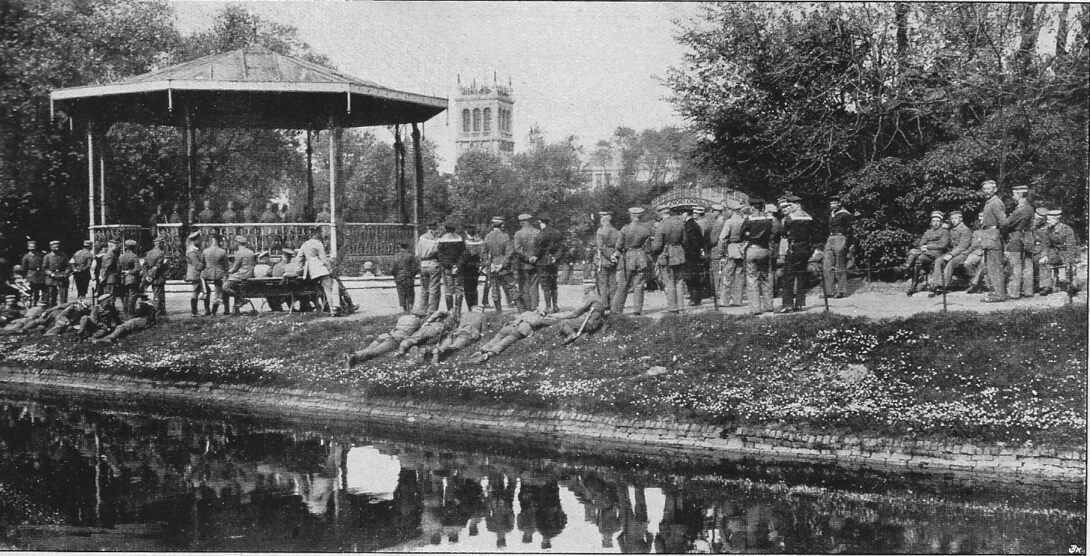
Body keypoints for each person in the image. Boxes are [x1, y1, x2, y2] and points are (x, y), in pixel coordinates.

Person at [467, 309, 558, 364]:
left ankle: (481, 350)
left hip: (510, 326)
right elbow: (549, 322)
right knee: (503, 343)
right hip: (520, 329)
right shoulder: (540, 318)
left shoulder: (527, 312)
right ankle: (488, 355)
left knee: (495, 339)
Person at [344, 309, 426, 367]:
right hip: (395, 340)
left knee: (368, 349)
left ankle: (352, 355)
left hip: (386, 335)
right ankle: (354, 357)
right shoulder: (418, 322)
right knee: (375, 352)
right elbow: (417, 335)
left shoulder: (403, 318)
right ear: (419, 317)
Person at [778, 195, 815, 313]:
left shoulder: (791, 217)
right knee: (801, 276)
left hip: (794, 248)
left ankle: (787, 304)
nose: (789, 207)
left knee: (788, 276)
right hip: (806, 248)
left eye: (791, 205)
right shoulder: (809, 217)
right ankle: (799, 303)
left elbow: (783, 232)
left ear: (798, 205)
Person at [611, 207, 651, 315]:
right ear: (641, 216)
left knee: (623, 284)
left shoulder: (625, 229)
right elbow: (648, 249)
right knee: (639, 285)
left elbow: (619, 246)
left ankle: (616, 310)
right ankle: (637, 310)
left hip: (628, 257)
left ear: (631, 216)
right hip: (641, 258)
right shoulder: (645, 230)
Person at [740, 202, 779, 315]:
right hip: (765, 249)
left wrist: (748, 235)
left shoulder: (749, 219)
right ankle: (768, 306)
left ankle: (755, 308)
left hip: (752, 249)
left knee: (752, 279)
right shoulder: (769, 219)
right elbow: (776, 232)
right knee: (766, 277)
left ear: (753, 208)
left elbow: (741, 234)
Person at [650, 205, 687, 313]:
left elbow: (657, 246)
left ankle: (672, 307)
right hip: (679, 254)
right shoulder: (679, 223)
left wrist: (653, 251)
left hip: (666, 255)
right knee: (679, 281)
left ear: (660, 213)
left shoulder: (661, 226)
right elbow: (684, 240)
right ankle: (681, 307)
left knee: (669, 282)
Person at [904, 211, 950, 296]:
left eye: (937, 221)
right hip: (926, 253)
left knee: (917, 256)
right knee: (917, 258)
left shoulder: (944, 232)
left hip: (938, 253)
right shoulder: (928, 232)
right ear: (931, 222)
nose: (935, 223)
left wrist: (928, 246)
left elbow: (943, 245)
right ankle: (913, 283)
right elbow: (921, 243)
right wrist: (923, 247)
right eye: (933, 221)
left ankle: (908, 272)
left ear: (941, 222)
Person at [300, 227, 343, 316]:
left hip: (310, 271)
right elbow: (323, 259)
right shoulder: (318, 243)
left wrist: (300, 270)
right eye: (319, 233)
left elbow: (299, 258)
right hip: (320, 269)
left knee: (322, 288)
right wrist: (330, 270)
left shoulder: (305, 244)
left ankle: (327, 307)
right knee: (330, 287)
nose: (321, 234)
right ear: (315, 234)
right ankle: (333, 309)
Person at [483, 216, 522, 313]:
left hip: (493, 267)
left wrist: (490, 264)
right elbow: (509, 253)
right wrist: (502, 265)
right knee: (512, 287)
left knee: (495, 290)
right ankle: (521, 310)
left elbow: (483, 253)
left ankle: (499, 312)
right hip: (505, 267)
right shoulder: (505, 236)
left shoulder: (487, 236)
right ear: (501, 225)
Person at [1002, 185, 1035, 299]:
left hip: (1016, 237)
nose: (1013, 197)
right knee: (1028, 264)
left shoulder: (1020, 209)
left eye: (1014, 194)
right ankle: (1028, 290)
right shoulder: (1030, 208)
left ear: (1020, 195)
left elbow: (1006, 224)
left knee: (1015, 265)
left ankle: (1014, 292)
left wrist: (1005, 234)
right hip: (1028, 237)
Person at [979, 179, 1008, 302]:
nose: (986, 191)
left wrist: (998, 235)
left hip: (993, 238)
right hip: (988, 237)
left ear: (995, 189)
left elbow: (1003, 223)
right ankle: (994, 292)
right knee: (990, 267)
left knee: (995, 267)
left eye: (989, 189)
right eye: (984, 189)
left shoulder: (995, 202)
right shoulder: (989, 202)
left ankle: (999, 294)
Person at [934, 210, 973, 296]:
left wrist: (951, 255)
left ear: (961, 219)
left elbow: (963, 246)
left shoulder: (965, 230)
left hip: (964, 253)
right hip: (954, 252)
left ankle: (944, 286)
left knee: (951, 263)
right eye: (951, 219)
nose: (953, 221)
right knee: (939, 260)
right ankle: (936, 284)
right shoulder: (952, 229)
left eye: (955, 218)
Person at [92, 295, 157, 344]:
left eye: (139, 300)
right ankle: (104, 338)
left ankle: (107, 339)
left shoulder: (144, 305)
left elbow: (137, 314)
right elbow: (94, 320)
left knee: (121, 327)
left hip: (142, 320)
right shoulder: (96, 308)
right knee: (120, 327)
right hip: (100, 327)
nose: (138, 301)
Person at [717, 199, 746, 307]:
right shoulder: (743, 221)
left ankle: (724, 301)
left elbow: (722, 238)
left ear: (731, 210)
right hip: (741, 249)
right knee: (739, 276)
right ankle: (738, 300)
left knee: (727, 275)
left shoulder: (729, 222)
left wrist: (721, 251)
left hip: (731, 249)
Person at [394, 309, 458, 357]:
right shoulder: (454, 323)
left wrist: (428, 321)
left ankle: (402, 350)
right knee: (430, 344)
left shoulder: (435, 318)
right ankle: (430, 351)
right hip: (442, 333)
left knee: (413, 339)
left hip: (432, 328)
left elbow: (438, 312)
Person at [823, 196, 853, 298]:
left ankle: (841, 291)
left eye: (835, 203)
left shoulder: (845, 214)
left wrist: (847, 244)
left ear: (839, 203)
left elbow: (850, 230)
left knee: (840, 265)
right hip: (830, 238)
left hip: (840, 238)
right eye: (831, 203)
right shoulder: (831, 214)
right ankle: (830, 291)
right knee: (827, 265)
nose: (832, 205)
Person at [1044, 208, 1078, 295]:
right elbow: (1046, 244)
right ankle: (1048, 285)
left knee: (1070, 264)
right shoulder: (1048, 230)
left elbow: (1071, 246)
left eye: (1049, 220)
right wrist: (1045, 255)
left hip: (1067, 251)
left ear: (1056, 220)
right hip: (1056, 252)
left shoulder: (1067, 230)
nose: (1047, 221)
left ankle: (1071, 285)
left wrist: (1069, 259)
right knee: (1045, 262)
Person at [514, 213, 543, 311]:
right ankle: (534, 307)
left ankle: (527, 308)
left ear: (522, 222)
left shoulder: (518, 234)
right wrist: (535, 257)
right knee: (534, 285)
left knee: (524, 286)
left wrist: (528, 258)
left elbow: (517, 249)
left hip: (523, 264)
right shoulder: (538, 232)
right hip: (536, 263)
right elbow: (541, 247)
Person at [436, 218, 467, 313]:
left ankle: (450, 311)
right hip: (458, 267)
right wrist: (457, 265)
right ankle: (458, 311)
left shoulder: (442, 239)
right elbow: (464, 254)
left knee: (448, 289)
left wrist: (447, 265)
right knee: (459, 288)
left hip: (447, 268)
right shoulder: (459, 238)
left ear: (446, 229)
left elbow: (439, 254)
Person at [222, 236, 256, 315]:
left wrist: (228, 272)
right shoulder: (250, 252)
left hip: (241, 275)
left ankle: (241, 299)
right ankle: (236, 308)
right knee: (234, 285)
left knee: (225, 287)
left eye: (235, 242)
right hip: (248, 274)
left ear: (237, 243)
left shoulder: (239, 253)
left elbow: (235, 267)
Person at [537, 217, 565, 313]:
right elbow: (561, 247)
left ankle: (548, 307)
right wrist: (555, 257)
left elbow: (538, 248)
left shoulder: (541, 233)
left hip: (543, 261)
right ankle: (555, 306)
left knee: (545, 285)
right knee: (554, 284)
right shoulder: (558, 233)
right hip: (554, 261)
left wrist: (536, 256)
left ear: (542, 223)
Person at [415, 219, 443, 313]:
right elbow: (438, 252)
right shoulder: (437, 239)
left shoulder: (422, 238)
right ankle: (432, 309)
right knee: (434, 288)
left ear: (427, 227)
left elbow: (417, 253)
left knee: (424, 288)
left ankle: (422, 308)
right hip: (433, 264)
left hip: (423, 264)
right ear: (435, 227)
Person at [681, 207, 705, 306]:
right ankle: (696, 298)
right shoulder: (695, 225)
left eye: (682, 214)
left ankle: (694, 298)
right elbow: (701, 240)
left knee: (690, 277)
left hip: (689, 254)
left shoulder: (688, 226)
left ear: (686, 214)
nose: (681, 216)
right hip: (696, 254)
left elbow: (689, 241)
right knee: (695, 276)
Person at [594, 212, 620, 304]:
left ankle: (604, 303)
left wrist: (609, 256)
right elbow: (619, 246)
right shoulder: (617, 232)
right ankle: (613, 303)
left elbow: (601, 247)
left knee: (602, 283)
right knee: (613, 282)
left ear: (603, 221)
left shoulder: (600, 231)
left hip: (603, 259)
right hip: (614, 259)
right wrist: (614, 255)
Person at [201, 234, 229, 316]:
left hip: (207, 273)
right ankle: (214, 311)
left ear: (211, 241)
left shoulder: (205, 251)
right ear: (219, 241)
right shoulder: (222, 251)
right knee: (218, 292)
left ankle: (206, 310)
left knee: (205, 290)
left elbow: (202, 264)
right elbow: (226, 265)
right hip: (219, 274)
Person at [142, 236, 169, 315]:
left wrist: (147, 276)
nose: (163, 245)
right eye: (162, 243)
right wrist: (151, 276)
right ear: (159, 244)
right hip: (157, 277)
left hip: (150, 275)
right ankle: (158, 311)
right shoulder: (161, 253)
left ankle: (161, 310)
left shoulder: (149, 253)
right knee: (159, 295)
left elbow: (144, 265)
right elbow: (158, 266)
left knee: (156, 293)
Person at [391, 242, 419, 313]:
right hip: (408, 276)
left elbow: (392, 269)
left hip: (399, 276)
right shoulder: (411, 256)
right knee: (410, 292)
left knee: (401, 292)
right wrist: (412, 275)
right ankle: (410, 307)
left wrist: (395, 276)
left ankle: (404, 308)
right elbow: (415, 267)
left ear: (400, 247)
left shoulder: (396, 256)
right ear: (407, 247)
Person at [462, 225, 485, 311]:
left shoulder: (464, 241)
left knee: (467, 288)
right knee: (474, 287)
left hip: (467, 267)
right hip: (476, 266)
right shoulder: (480, 241)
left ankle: (470, 306)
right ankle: (474, 305)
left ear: (466, 231)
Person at [707, 203, 726, 302]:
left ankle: (716, 292)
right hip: (723, 249)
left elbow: (713, 239)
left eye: (713, 211)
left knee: (716, 272)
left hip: (716, 249)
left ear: (718, 212)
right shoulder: (724, 221)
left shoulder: (718, 223)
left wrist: (707, 245)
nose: (712, 213)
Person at [117, 239, 142, 316]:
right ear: (133, 247)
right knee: (132, 296)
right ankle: (131, 312)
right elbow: (137, 268)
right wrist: (129, 272)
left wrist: (123, 272)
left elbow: (118, 268)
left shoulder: (121, 256)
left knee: (125, 296)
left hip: (123, 279)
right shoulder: (134, 256)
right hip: (132, 279)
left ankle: (125, 311)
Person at [43, 240, 70, 306]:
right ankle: (52, 309)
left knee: (63, 296)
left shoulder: (64, 256)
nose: (56, 249)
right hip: (51, 278)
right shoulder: (47, 257)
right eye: (54, 247)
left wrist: (66, 273)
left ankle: (63, 308)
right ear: (51, 247)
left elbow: (68, 266)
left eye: (57, 247)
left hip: (62, 277)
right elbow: (44, 268)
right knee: (52, 297)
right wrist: (51, 274)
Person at [185, 231, 206, 316]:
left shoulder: (195, 249)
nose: (200, 241)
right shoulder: (191, 251)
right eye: (199, 239)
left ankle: (195, 312)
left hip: (197, 274)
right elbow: (197, 265)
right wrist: (205, 265)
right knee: (196, 291)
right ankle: (194, 312)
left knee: (197, 291)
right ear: (194, 240)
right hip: (195, 274)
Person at [20, 241, 46, 307]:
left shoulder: (41, 255)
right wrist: (26, 277)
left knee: (44, 291)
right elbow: (24, 268)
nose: (33, 249)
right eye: (31, 248)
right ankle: (33, 305)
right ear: (28, 248)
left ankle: (44, 305)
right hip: (32, 276)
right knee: (34, 292)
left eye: (34, 248)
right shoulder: (26, 257)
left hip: (41, 275)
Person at [98, 238, 120, 307]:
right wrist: (103, 277)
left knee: (110, 296)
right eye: (116, 245)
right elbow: (107, 267)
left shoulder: (110, 254)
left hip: (110, 279)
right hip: (110, 279)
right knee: (110, 296)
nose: (117, 247)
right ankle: (109, 310)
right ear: (111, 246)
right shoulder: (110, 255)